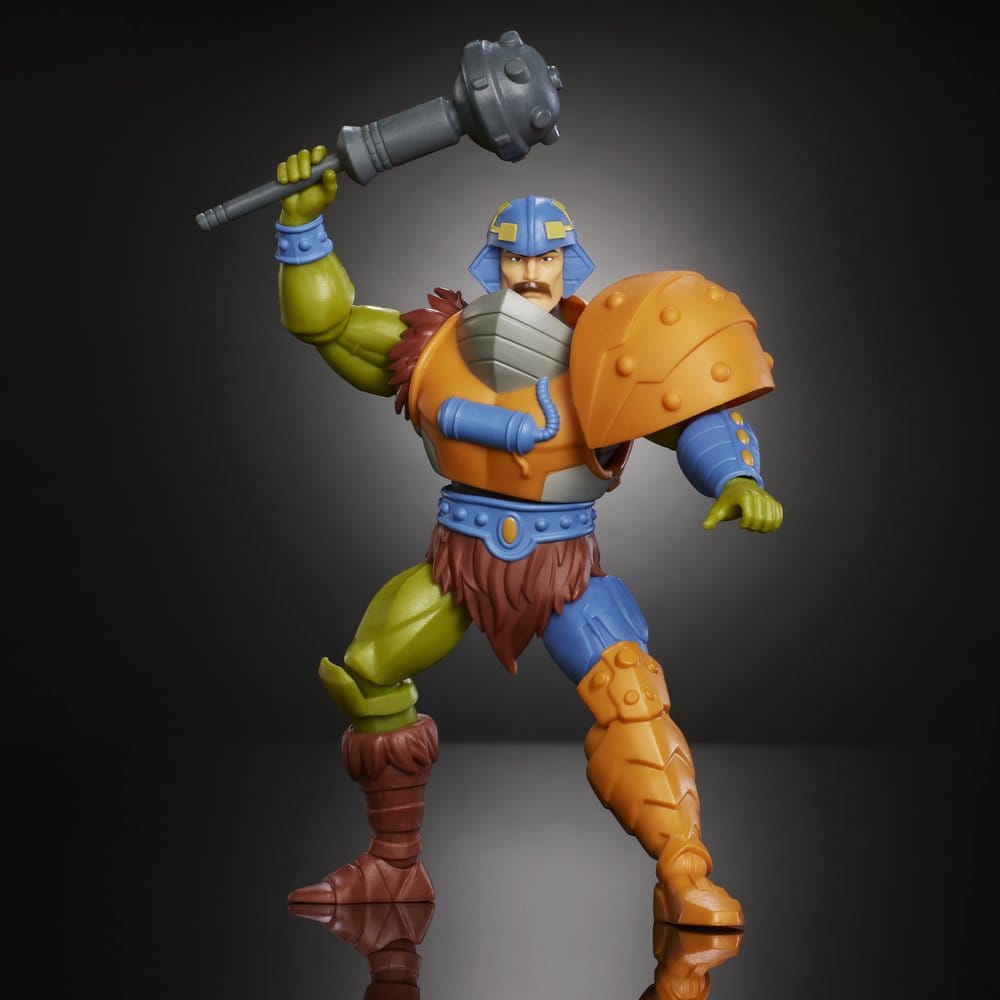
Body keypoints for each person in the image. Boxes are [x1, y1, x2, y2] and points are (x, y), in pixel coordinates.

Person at [273, 145, 783, 927]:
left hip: (562, 565)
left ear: (569, 262)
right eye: (517, 255)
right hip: (460, 555)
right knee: (369, 671)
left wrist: (737, 478)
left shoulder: (605, 355)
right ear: (493, 261)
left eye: (546, 256)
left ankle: (685, 874)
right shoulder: (435, 344)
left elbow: (695, 416)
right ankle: (394, 866)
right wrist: (302, 230)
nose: (531, 270)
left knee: (632, 694)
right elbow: (330, 325)